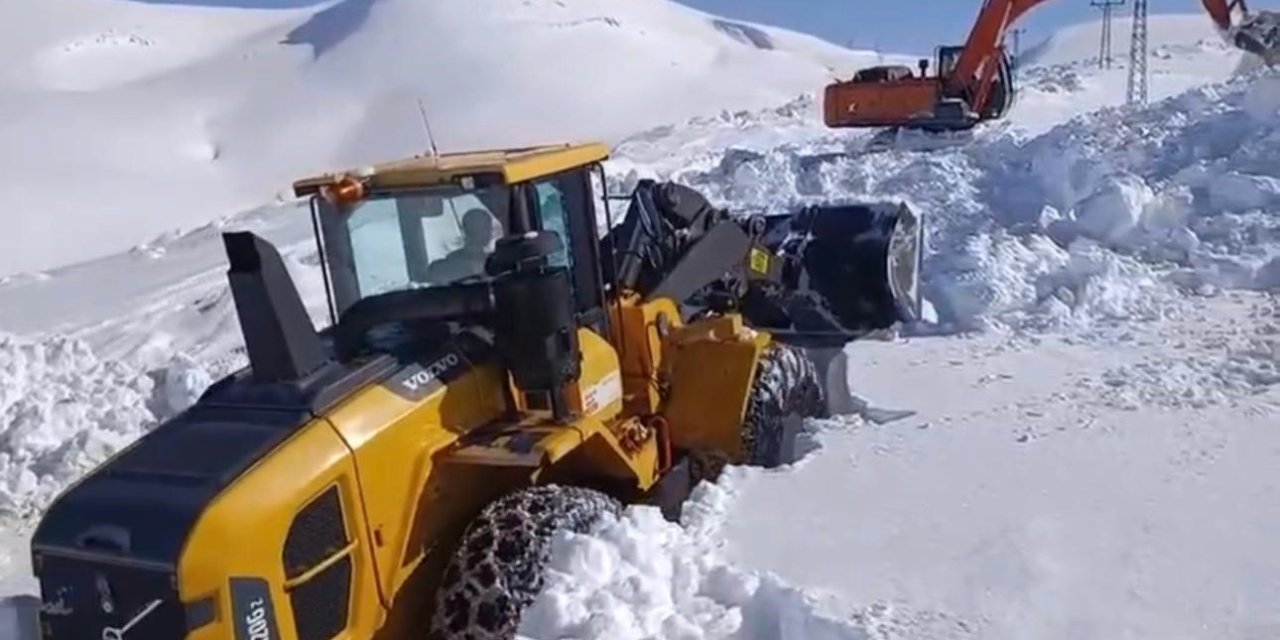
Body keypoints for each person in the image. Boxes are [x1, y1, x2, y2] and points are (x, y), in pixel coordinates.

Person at [427, 208, 497, 283]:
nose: (490, 232)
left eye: (489, 228)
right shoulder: (448, 266)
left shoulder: (494, 262)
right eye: (485, 228)